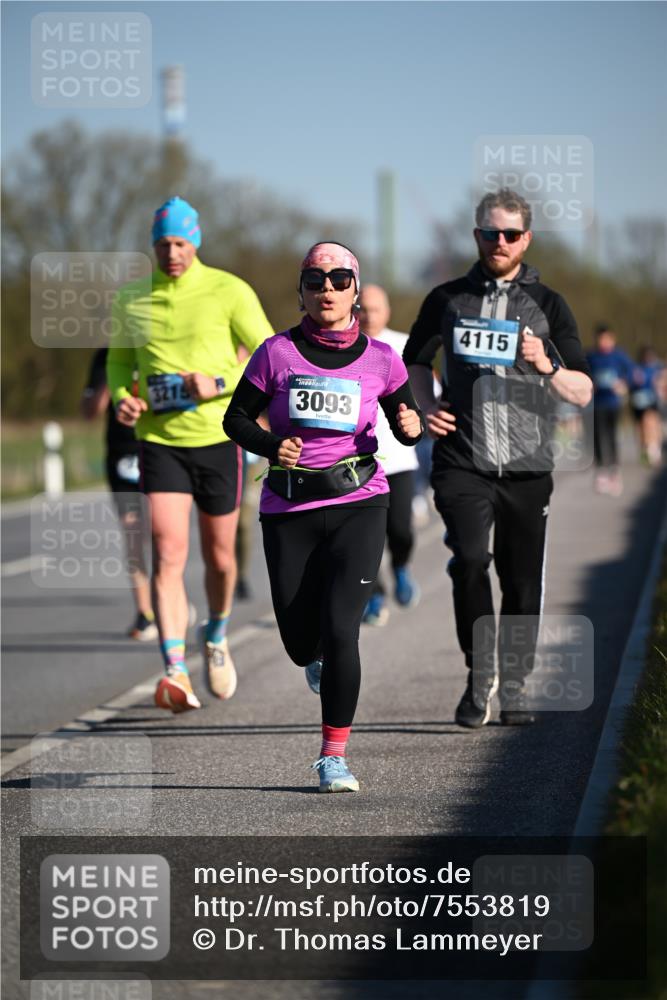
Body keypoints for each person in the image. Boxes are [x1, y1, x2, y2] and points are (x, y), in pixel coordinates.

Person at [224, 242, 422, 791]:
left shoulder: (381, 358)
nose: (327, 290)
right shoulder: (275, 353)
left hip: (360, 499)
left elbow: (407, 421)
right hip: (288, 507)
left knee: (342, 631)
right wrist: (270, 444)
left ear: (356, 289)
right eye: (316, 280)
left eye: (339, 279)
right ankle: (313, 657)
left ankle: (333, 756)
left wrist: (411, 426)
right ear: (302, 291)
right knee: (298, 640)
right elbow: (234, 419)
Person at [404, 188, 592, 728]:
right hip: (462, 457)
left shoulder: (550, 304)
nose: (500, 242)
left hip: (528, 463)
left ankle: (512, 682)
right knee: (469, 559)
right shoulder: (446, 299)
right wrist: (423, 407)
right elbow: (413, 361)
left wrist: (547, 364)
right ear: (476, 236)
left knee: (522, 579)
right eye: (490, 233)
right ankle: (477, 671)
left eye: (511, 234)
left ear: (526, 239)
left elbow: (582, 391)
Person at [107, 196, 273, 713]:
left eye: (180, 243)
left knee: (221, 558)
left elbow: (271, 353)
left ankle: (216, 634)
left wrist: (218, 381)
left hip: (220, 437)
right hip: (160, 442)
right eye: (162, 244)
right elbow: (117, 365)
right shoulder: (132, 299)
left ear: (195, 241)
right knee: (168, 549)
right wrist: (123, 400)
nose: (171, 252)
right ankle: (175, 668)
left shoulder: (229, 290)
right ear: (152, 246)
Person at [81, 347, 157, 641]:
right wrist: (105, 387)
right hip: (121, 456)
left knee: (160, 532)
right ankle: (145, 613)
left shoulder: (157, 346)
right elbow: (89, 412)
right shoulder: (103, 357)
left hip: (157, 448)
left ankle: (170, 596)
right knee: (133, 532)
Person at [357, 284, 421, 626]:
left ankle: (400, 566)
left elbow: (426, 394)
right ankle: (374, 594)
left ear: (387, 311)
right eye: (362, 308)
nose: (368, 315)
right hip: (359, 463)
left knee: (401, 531)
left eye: (375, 309)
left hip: (399, 459)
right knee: (365, 540)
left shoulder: (405, 345)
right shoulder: (346, 347)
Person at [586, 324, 633, 495]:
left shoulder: (619, 356)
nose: (604, 342)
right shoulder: (591, 356)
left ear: (612, 339)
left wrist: (623, 383)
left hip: (613, 403)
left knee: (612, 435)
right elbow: (582, 372)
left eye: (607, 339)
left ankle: (614, 470)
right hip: (597, 403)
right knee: (598, 436)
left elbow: (631, 372)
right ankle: (601, 471)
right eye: (600, 339)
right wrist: (590, 384)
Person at [630, 345, 664, 467]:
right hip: (638, 402)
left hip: (652, 401)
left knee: (651, 423)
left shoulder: (658, 368)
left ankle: (654, 450)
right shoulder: (636, 369)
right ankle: (645, 450)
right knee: (640, 427)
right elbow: (630, 383)